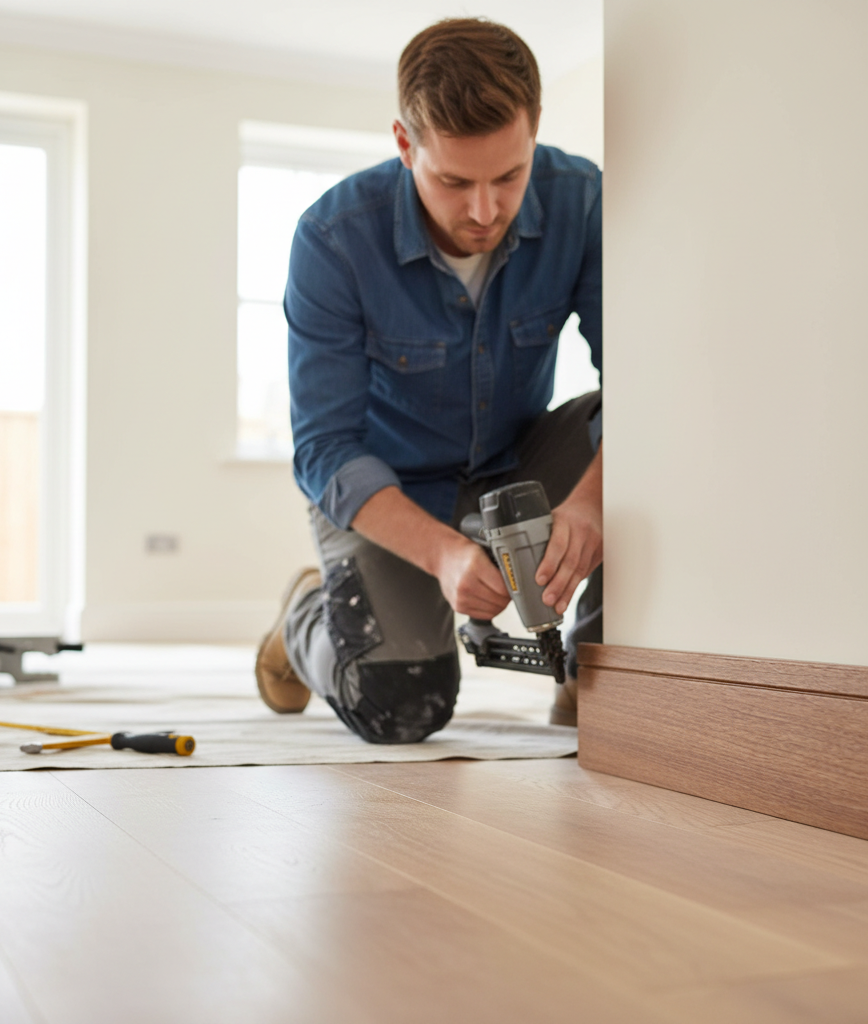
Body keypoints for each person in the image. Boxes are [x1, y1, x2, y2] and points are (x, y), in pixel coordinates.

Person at [255, 17, 602, 743]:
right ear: (405, 144)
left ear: (535, 131)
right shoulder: (332, 239)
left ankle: (592, 676)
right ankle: (307, 618)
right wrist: (443, 553)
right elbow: (324, 449)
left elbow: (644, 384)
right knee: (400, 706)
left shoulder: (583, 200)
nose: (485, 211)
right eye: (454, 181)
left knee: (640, 432)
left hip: (512, 465)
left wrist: (592, 504)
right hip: (389, 489)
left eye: (510, 175)